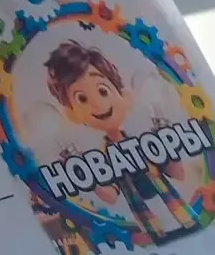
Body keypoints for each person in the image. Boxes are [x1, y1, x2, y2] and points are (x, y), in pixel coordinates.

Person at [44, 39, 199, 242]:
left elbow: (177, 172)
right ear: (72, 114)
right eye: (82, 98)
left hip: (181, 212)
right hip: (149, 225)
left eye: (103, 91)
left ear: (123, 95)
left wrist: (168, 141)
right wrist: (83, 172)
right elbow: (111, 195)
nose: (98, 104)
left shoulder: (146, 142)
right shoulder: (103, 159)